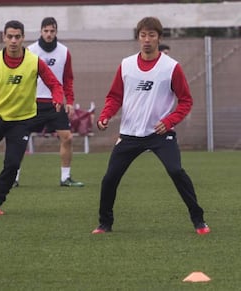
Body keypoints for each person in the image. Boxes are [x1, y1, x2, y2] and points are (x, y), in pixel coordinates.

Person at [91, 17, 210, 236]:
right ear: (138, 38)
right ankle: (104, 223)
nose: (147, 40)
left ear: (159, 38)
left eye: (152, 35)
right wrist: (105, 116)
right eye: (143, 35)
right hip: (130, 135)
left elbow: (186, 101)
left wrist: (169, 121)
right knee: (109, 178)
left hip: (159, 134)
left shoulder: (171, 67)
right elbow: (114, 97)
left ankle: (199, 220)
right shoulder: (126, 65)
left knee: (176, 170)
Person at [0, 20, 64, 216]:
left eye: (17, 37)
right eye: (10, 37)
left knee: (13, 164)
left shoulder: (34, 61)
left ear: (23, 38)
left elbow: (55, 84)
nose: (14, 41)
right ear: (4, 38)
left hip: (22, 120)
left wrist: (58, 98)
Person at [14, 17, 84, 187]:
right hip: (33, 103)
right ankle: (13, 178)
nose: (49, 34)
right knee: (19, 139)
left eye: (52, 31)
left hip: (56, 103)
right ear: (41, 31)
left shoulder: (64, 51)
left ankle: (65, 177)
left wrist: (70, 101)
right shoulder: (30, 51)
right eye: (46, 31)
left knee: (67, 138)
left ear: (56, 32)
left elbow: (68, 79)